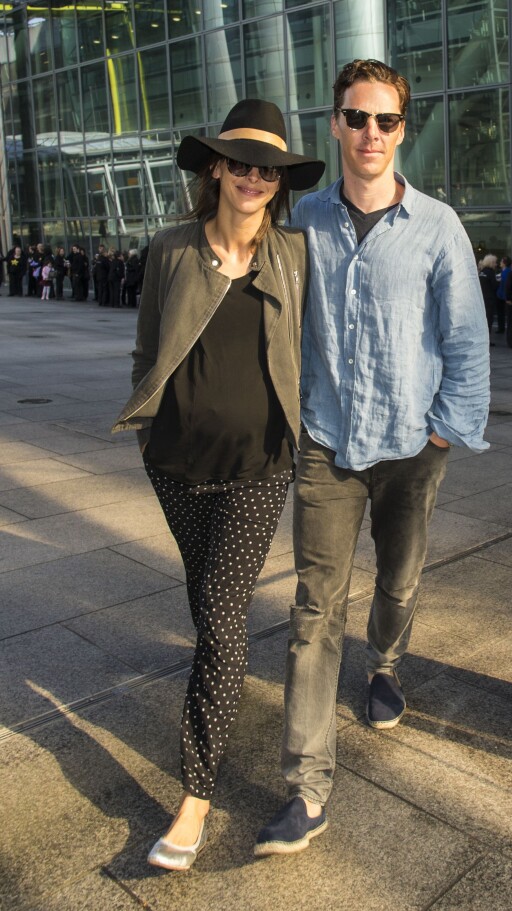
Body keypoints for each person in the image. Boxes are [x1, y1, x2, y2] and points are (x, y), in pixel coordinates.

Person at [254, 58, 490, 857]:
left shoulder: (438, 226)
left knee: (399, 580)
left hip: (411, 446)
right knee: (315, 611)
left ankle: (385, 663)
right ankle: (306, 788)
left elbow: (466, 339)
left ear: (401, 129)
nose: (370, 133)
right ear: (335, 125)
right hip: (327, 446)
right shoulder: (303, 222)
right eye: (356, 118)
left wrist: (443, 430)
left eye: (385, 120)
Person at [111, 99, 325, 870]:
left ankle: (194, 798)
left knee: (224, 621)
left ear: (279, 182)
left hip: (258, 469)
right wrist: (149, 431)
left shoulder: (295, 254)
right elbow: (147, 353)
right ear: (216, 169)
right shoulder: (172, 249)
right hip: (175, 466)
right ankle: (218, 701)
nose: (253, 178)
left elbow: (316, 345)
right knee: (208, 609)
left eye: (267, 169)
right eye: (240, 163)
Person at [478, 254, 498, 344]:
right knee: (488, 320)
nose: (496, 264)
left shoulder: (481, 272)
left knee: (482, 320)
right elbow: (494, 285)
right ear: (491, 263)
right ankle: (487, 340)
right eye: (495, 262)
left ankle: (481, 339)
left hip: (481, 299)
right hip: (489, 299)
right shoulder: (491, 272)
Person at [496, 256, 512, 336]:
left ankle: (502, 328)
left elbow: (505, 284)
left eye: (501, 261)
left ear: (504, 263)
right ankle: (501, 328)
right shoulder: (505, 271)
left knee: (502, 313)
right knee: (501, 313)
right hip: (502, 294)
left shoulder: (506, 272)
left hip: (502, 295)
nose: (500, 263)